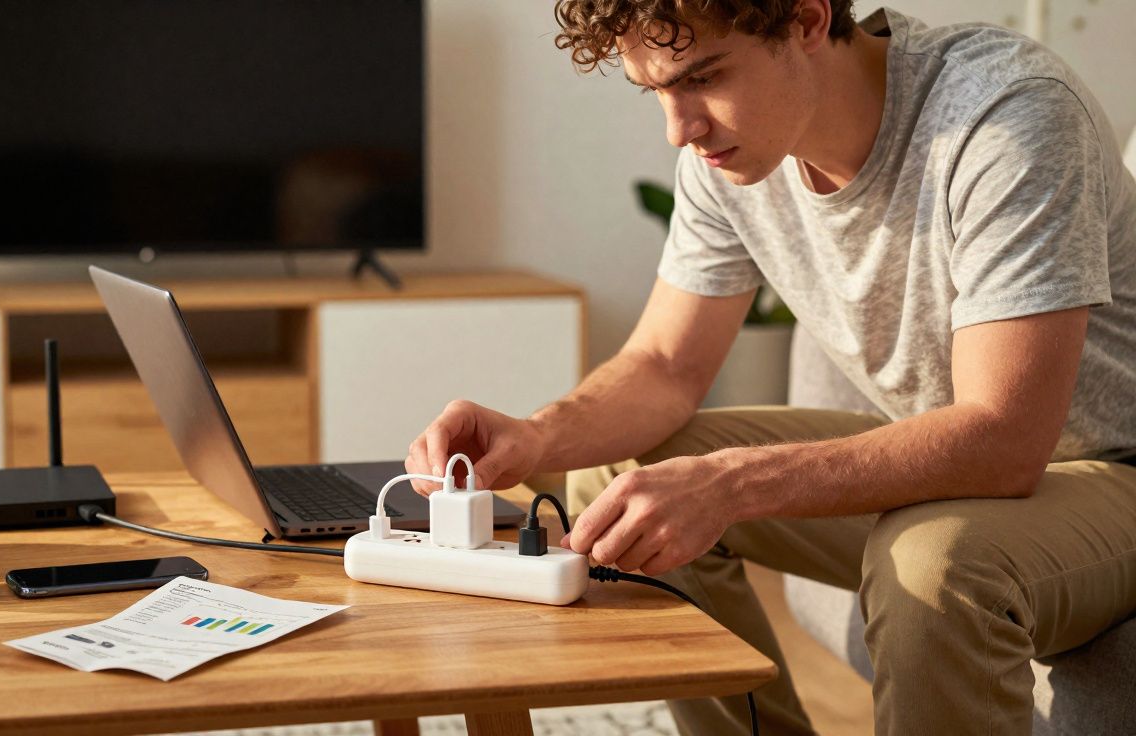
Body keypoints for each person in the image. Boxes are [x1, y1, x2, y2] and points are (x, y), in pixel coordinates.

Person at [405, 0, 1136, 733]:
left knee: (936, 564)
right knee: (625, 479)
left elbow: (1006, 440)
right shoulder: (728, 160)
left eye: (703, 78)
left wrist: (730, 484)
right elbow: (664, 363)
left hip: (1108, 474)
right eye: (656, 90)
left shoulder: (1006, 114)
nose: (680, 128)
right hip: (959, 466)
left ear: (808, 21)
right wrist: (534, 435)